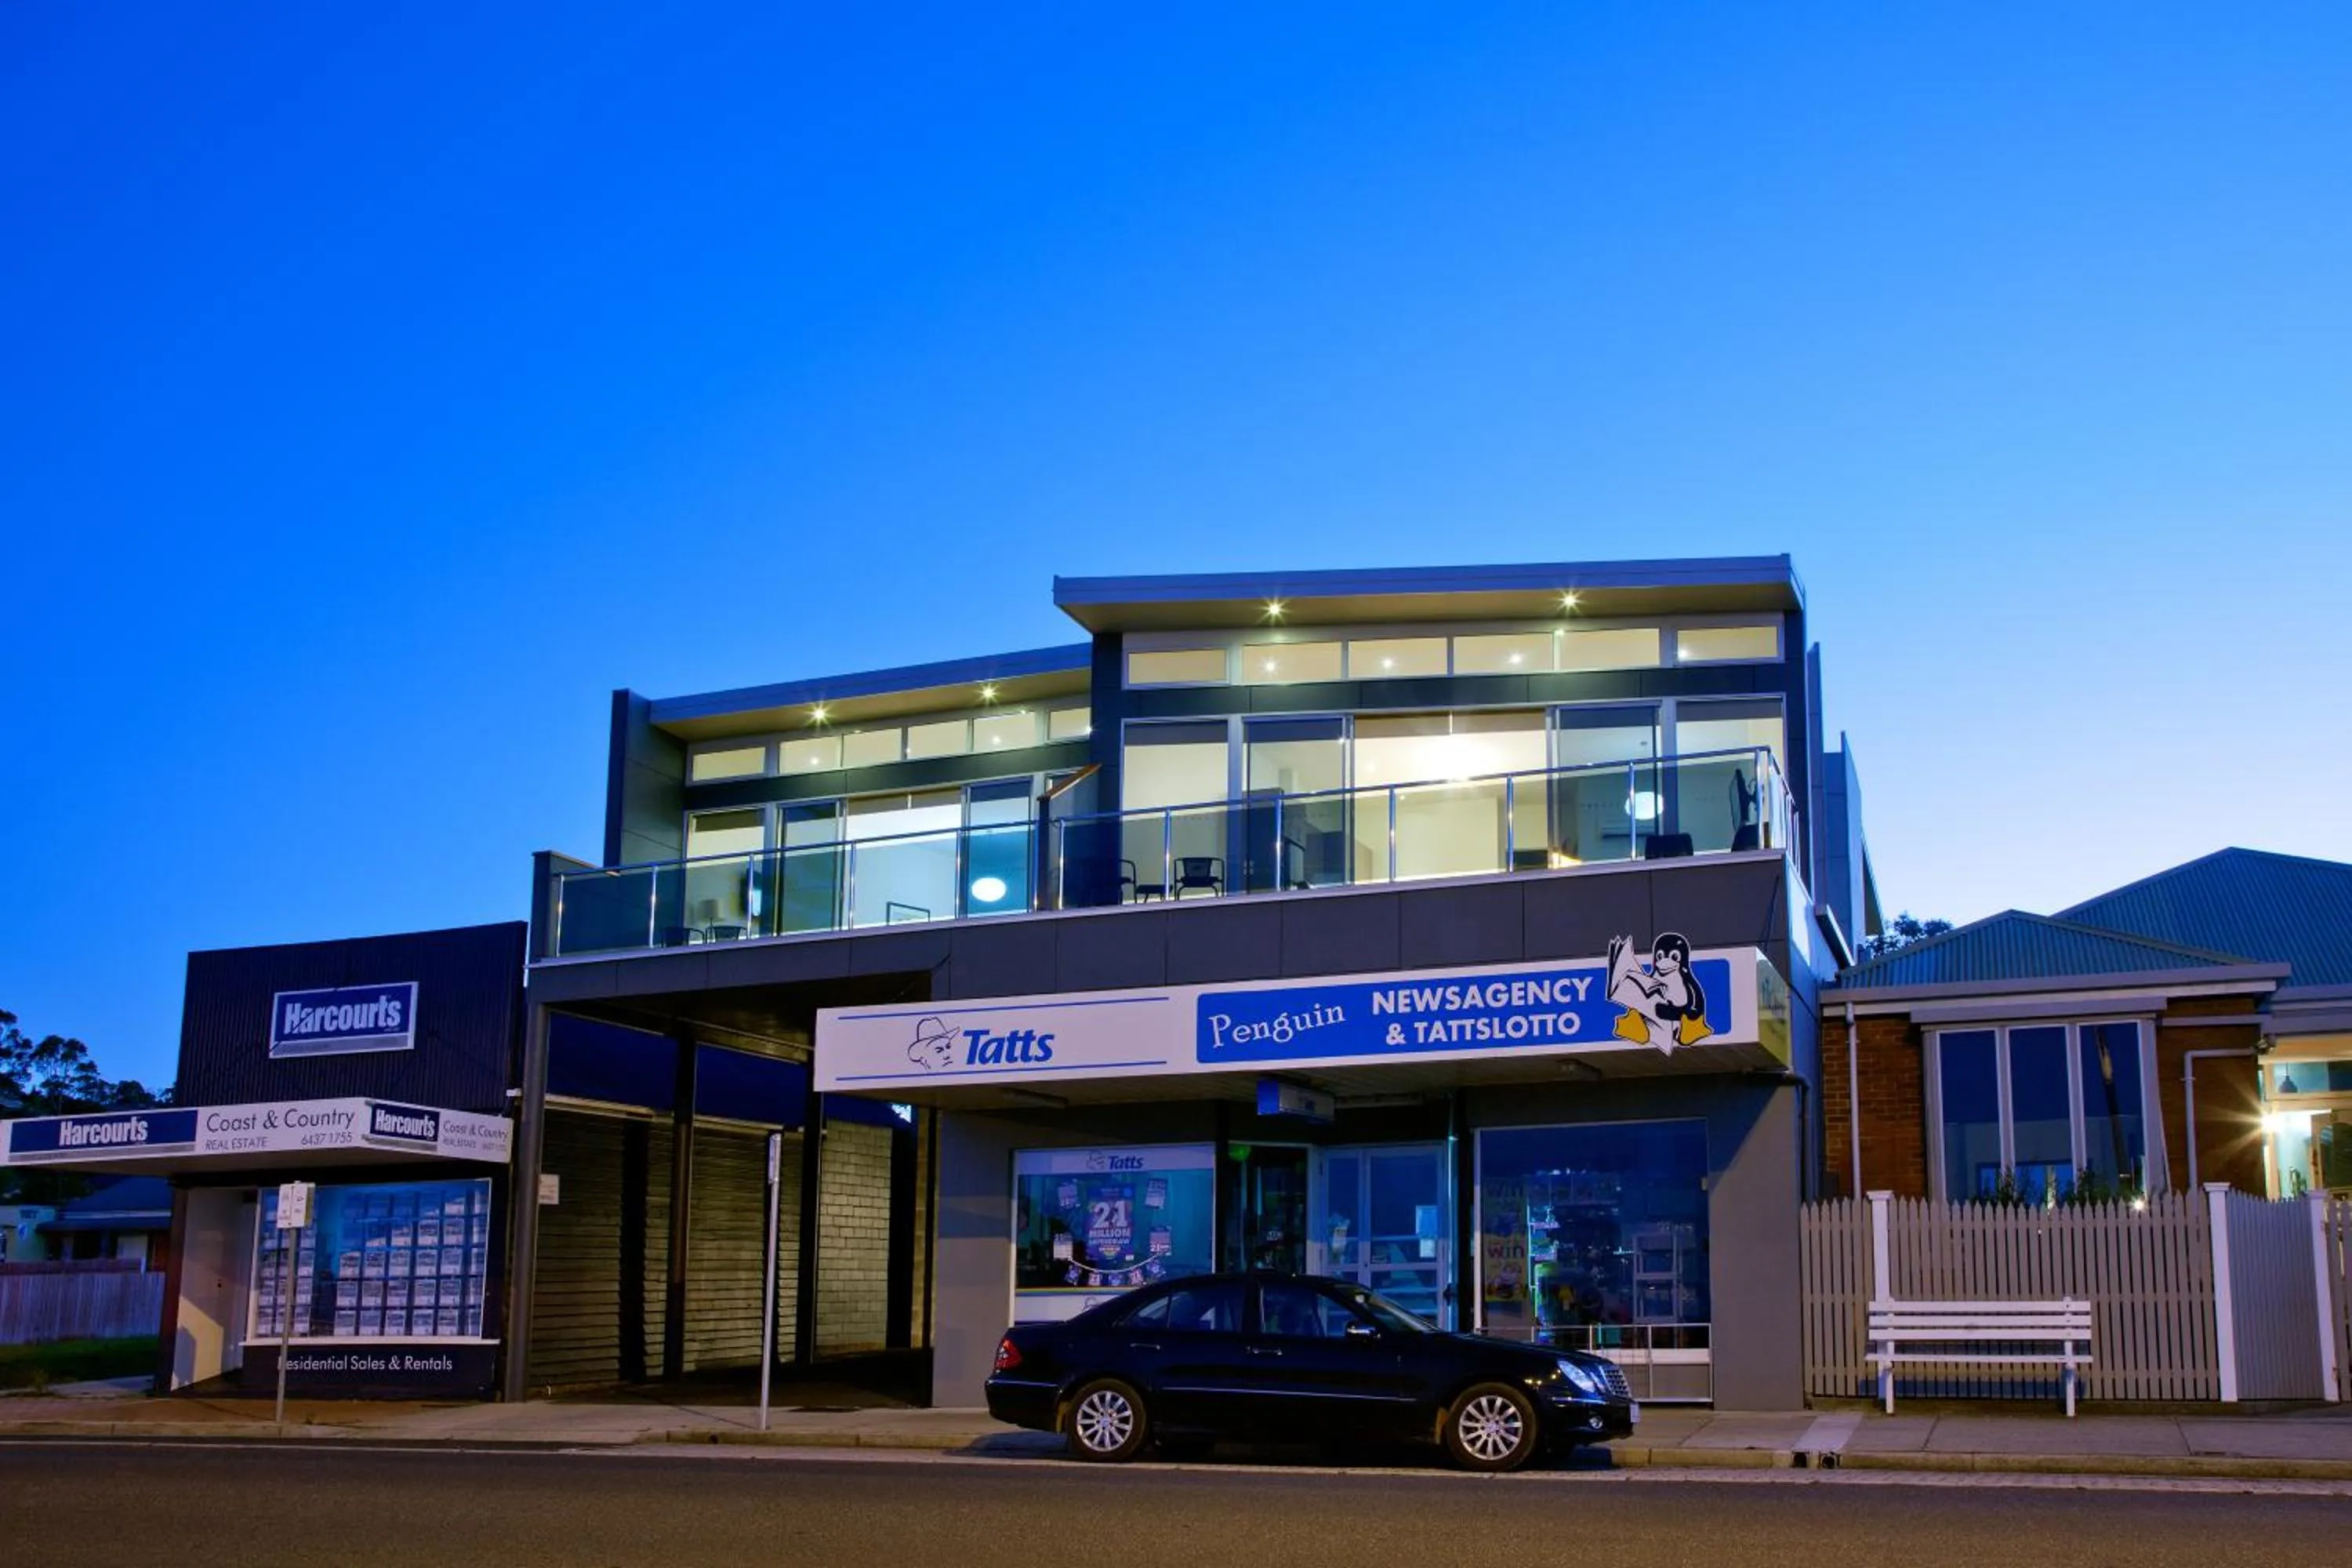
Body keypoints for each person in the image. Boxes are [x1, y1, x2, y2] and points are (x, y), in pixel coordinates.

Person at [1607, 932, 1711, 1051]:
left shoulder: (1687, 982)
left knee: (1688, 1028)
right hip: (1653, 1026)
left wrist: (1672, 1012)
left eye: (1674, 957)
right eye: (1660, 957)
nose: (1664, 962)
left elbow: (1696, 1008)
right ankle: (1638, 1028)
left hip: (1681, 1025)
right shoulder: (1653, 979)